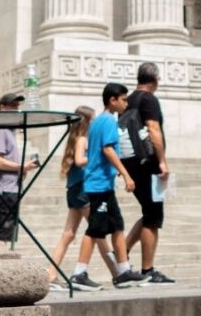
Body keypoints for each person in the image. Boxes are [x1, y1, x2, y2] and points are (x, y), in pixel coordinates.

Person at [68, 83, 147, 291]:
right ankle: (79, 273)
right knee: (95, 229)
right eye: (123, 99)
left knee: (117, 226)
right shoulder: (109, 121)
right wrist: (126, 174)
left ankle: (123, 271)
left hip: (101, 184)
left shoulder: (98, 122)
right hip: (99, 184)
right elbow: (108, 150)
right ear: (113, 100)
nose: (126, 103)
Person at [47, 106, 117, 291]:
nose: (95, 123)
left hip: (75, 189)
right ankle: (118, 274)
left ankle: (50, 275)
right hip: (83, 190)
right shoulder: (82, 140)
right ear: (85, 121)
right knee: (98, 231)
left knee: (68, 234)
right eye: (93, 119)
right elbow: (79, 161)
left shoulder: (79, 139)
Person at [122, 62, 175, 284]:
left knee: (148, 212)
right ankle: (147, 269)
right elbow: (153, 129)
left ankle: (120, 251)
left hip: (131, 162)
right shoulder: (149, 99)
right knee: (153, 217)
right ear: (155, 79)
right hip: (148, 162)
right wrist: (162, 161)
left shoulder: (128, 100)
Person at [0, 93, 38, 242]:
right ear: (2, 107)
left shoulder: (8, 131)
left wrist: (21, 170)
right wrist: (21, 167)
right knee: (3, 236)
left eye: (17, 106)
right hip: (3, 191)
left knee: (8, 236)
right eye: (12, 105)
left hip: (10, 190)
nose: (15, 109)